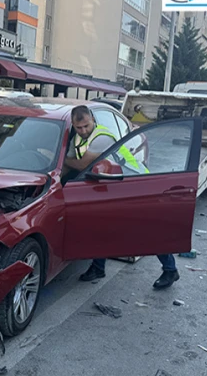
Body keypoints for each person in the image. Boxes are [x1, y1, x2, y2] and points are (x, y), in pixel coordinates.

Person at [65, 106, 177, 289]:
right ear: (74, 125)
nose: (83, 131)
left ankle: (171, 270)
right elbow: (70, 165)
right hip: (111, 186)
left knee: (146, 231)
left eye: (86, 125)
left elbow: (83, 164)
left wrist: (63, 161)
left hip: (134, 184)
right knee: (102, 228)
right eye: (79, 127)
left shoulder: (102, 137)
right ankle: (98, 267)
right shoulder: (77, 139)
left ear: (92, 119)